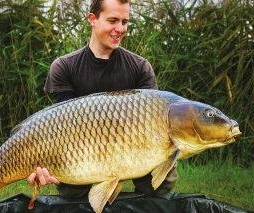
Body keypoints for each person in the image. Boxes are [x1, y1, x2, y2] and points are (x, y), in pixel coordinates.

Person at [27, 0, 178, 198]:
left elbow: (153, 122)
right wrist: (40, 162)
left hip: (134, 147)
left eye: (124, 22)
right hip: (82, 147)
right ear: (92, 19)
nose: (120, 29)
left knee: (161, 184)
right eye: (113, 20)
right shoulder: (64, 66)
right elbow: (60, 126)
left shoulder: (140, 67)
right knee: (71, 191)